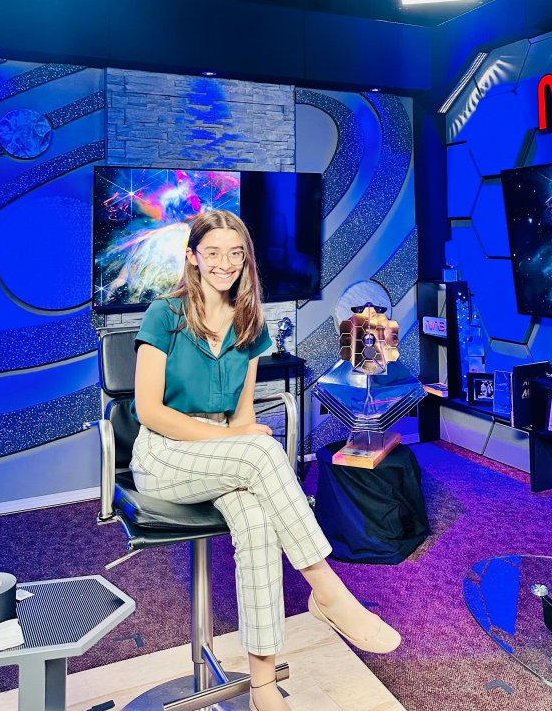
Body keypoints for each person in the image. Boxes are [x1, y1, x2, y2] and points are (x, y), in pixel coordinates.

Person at [130, 209, 400, 711]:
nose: (224, 263)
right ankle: (329, 592)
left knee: (257, 522)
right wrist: (235, 442)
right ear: (192, 257)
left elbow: (242, 411)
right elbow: (150, 411)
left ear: (246, 259)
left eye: (236, 253)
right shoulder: (163, 314)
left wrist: (235, 438)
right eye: (211, 253)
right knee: (263, 450)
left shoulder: (251, 322)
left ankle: (262, 686)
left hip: (225, 449)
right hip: (163, 453)